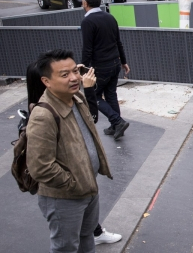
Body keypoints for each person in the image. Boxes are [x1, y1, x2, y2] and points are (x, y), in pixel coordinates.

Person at [26, 59, 122, 247]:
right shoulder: (42, 116)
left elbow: (90, 120)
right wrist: (74, 183)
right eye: (64, 74)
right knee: (66, 246)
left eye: (75, 71)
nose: (74, 78)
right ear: (45, 81)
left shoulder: (76, 99)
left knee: (87, 239)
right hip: (66, 195)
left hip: (88, 188)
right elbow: (40, 167)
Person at [81, 0, 130, 140]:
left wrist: (83, 70)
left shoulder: (88, 22)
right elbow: (118, 42)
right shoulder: (110, 17)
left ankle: (117, 121)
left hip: (101, 66)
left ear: (85, 3)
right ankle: (116, 126)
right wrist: (123, 62)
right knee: (110, 94)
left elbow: (87, 48)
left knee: (94, 95)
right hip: (115, 63)